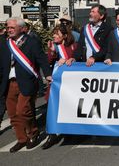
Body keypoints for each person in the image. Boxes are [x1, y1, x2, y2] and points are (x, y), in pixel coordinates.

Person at [0, 17, 52, 153]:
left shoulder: (31, 42)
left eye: (12, 27)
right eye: (7, 27)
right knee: (12, 113)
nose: (9, 30)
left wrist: (47, 74)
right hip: (9, 82)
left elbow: (42, 59)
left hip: (27, 81)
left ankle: (33, 134)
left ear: (21, 28)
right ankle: (21, 139)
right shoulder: (4, 43)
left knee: (23, 110)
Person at [42, 25, 78, 149]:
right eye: (54, 34)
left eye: (57, 34)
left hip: (69, 85)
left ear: (65, 35)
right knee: (51, 109)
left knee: (68, 108)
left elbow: (80, 60)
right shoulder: (54, 47)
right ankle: (51, 135)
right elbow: (47, 63)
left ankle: (69, 132)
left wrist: (72, 59)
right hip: (55, 84)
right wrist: (51, 52)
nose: (54, 36)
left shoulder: (74, 46)